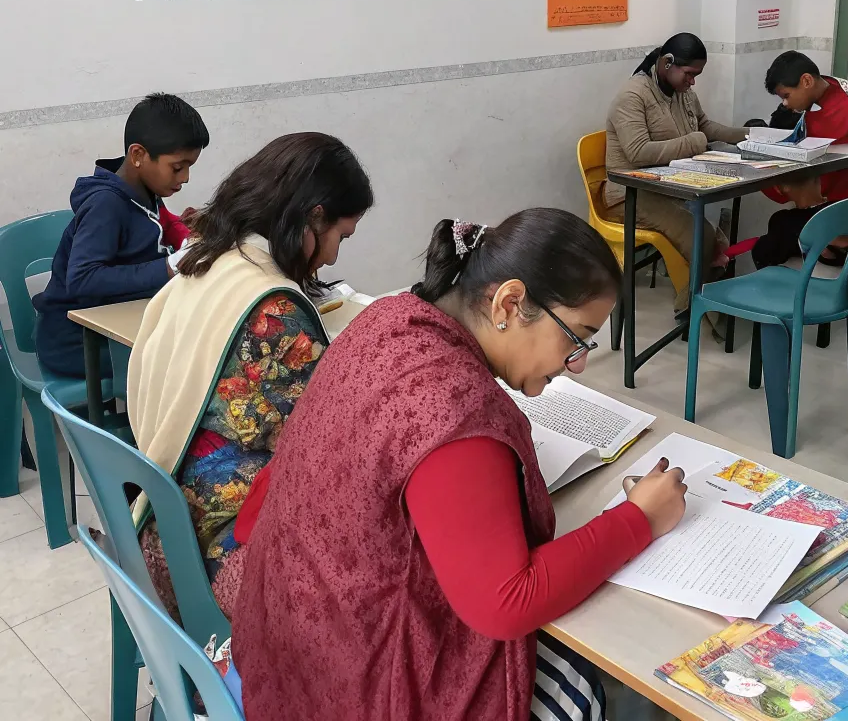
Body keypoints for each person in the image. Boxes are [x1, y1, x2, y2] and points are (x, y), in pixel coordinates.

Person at [232, 208, 689, 721]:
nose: (577, 362)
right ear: (510, 304)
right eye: (577, 336)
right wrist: (639, 519)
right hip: (344, 684)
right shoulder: (455, 406)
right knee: (587, 692)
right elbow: (504, 603)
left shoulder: (390, 317)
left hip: (294, 630)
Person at [127, 132, 373, 617]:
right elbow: (337, 449)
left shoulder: (210, 258)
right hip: (209, 552)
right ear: (314, 216)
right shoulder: (275, 314)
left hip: (163, 520)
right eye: (340, 237)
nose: (333, 258)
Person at [32, 93, 209, 377]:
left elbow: (162, 221)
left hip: (118, 320)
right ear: (138, 155)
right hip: (76, 343)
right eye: (178, 167)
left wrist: (187, 239)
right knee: (189, 363)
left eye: (189, 167)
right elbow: (82, 279)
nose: (185, 177)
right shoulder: (106, 205)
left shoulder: (145, 188)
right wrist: (170, 266)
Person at [605, 32, 748, 316]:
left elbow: (707, 126)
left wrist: (751, 136)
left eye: (697, 75)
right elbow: (637, 152)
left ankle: (699, 299)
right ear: (667, 62)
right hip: (629, 193)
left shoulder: (683, 93)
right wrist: (695, 143)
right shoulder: (633, 96)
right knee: (703, 237)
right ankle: (696, 309)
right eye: (689, 73)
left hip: (667, 187)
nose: (692, 81)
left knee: (718, 238)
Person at [753, 52, 848, 269]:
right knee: (780, 225)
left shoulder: (838, 121)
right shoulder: (835, 87)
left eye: (786, 95)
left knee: (771, 240)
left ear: (806, 81)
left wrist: (761, 167)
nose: (785, 103)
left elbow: (807, 189)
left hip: (840, 204)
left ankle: (778, 292)